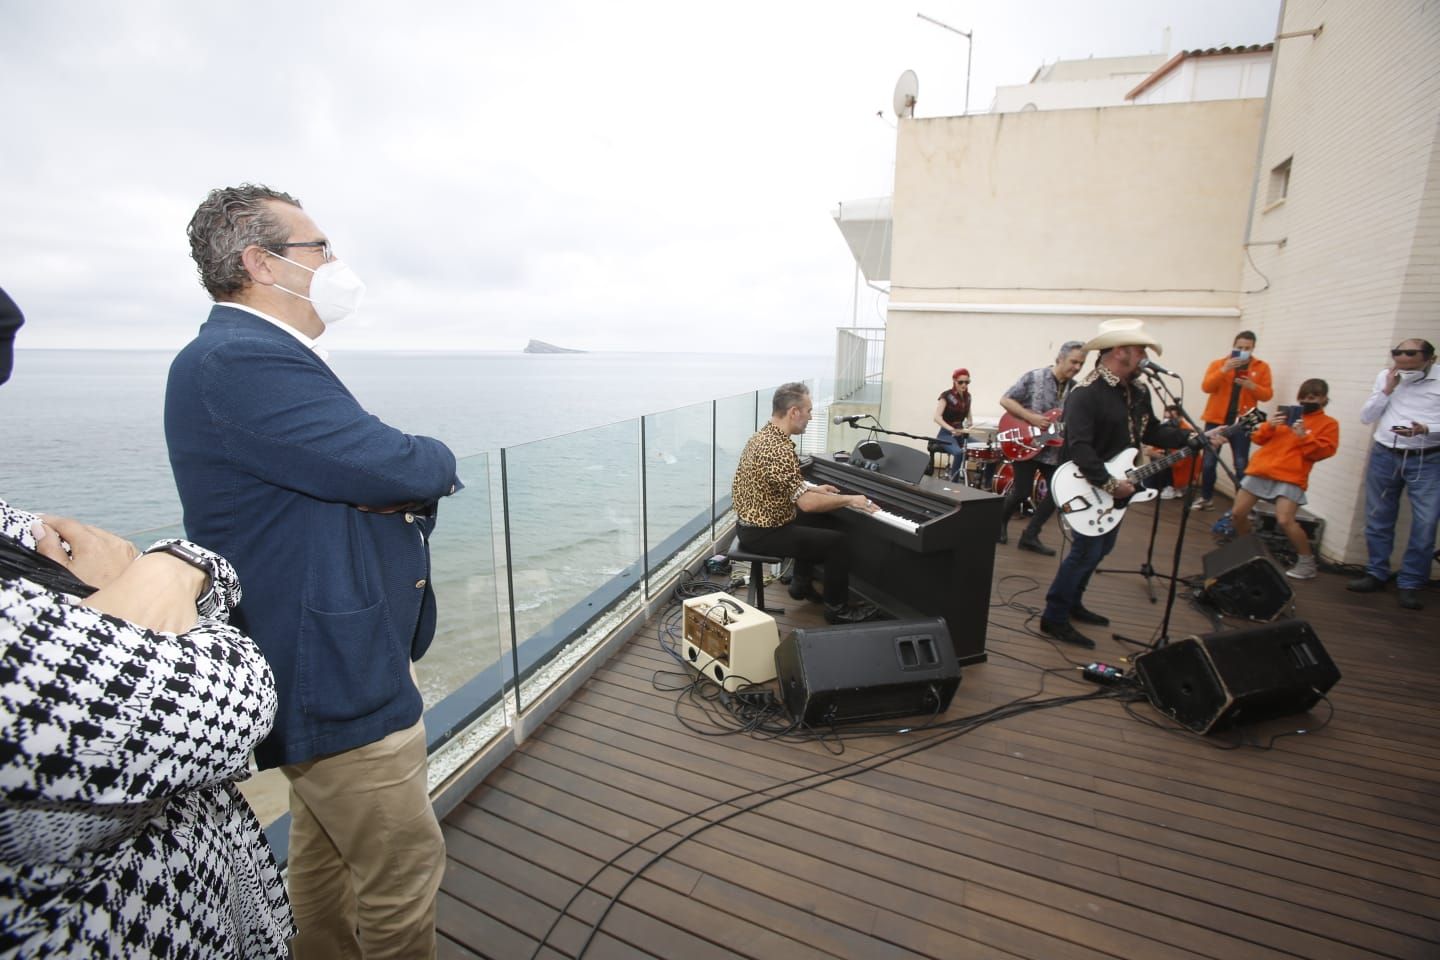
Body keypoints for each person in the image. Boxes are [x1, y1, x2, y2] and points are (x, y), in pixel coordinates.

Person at [165, 185, 461, 958]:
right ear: (263, 263)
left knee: (324, 854)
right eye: (320, 248)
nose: (336, 263)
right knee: (403, 869)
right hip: (331, 672)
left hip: (320, 663)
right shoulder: (242, 358)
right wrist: (419, 465)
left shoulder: (258, 356)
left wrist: (374, 486)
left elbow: (354, 471)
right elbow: (399, 464)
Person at [0, 288, 293, 957]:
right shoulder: (221, 359)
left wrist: (161, 569)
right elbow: (240, 695)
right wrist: (163, 573)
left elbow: (192, 577)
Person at [1039, 319, 1218, 648]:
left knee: (1101, 549)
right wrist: (1109, 484)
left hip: (1120, 485)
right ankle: (1054, 616)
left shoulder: (1137, 392)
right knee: (1084, 550)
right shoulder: (1086, 394)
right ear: (1119, 351)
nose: (1144, 357)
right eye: (1140, 350)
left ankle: (1073, 603)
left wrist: (1191, 436)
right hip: (1090, 484)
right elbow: (1079, 447)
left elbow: (1150, 433)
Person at [733, 382, 879, 624]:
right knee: (837, 543)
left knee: (818, 518)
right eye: (809, 411)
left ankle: (800, 584)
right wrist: (850, 499)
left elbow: (785, 484)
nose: (811, 417)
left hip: (753, 524)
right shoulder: (777, 450)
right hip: (762, 532)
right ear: (793, 412)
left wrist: (813, 489)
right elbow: (808, 504)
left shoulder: (763, 436)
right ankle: (838, 610)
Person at [1349, 338, 1440, 611]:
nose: (1403, 367)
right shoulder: (1387, 377)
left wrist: (1426, 429)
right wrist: (1387, 390)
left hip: (1427, 458)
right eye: (1399, 361)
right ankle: (1376, 572)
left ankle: (1410, 582)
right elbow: (1367, 416)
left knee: (1425, 523)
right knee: (1378, 515)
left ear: (1430, 360)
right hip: (1386, 454)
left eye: (1411, 363)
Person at [1231, 379, 1340, 580]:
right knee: (1238, 514)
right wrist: (1270, 426)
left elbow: (1324, 451)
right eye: (1304, 396)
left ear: (1324, 398)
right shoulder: (1286, 415)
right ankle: (1248, 552)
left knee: (1285, 520)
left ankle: (1307, 562)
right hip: (1260, 470)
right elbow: (1257, 439)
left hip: (1290, 476)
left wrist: (1303, 437)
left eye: (1313, 397)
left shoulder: (1329, 424)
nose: (1308, 400)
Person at [996, 340, 1087, 554]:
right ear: (1060, 358)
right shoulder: (1034, 377)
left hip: (1053, 451)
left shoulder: (1076, 390)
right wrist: (1031, 417)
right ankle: (998, 525)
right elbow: (1006, 400)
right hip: (1027, 445)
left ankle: (1030, 535)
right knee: (1021, 491)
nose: (1077, 367)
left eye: (1081, 364)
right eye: (1073, 362)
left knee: (1057, 493)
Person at [1193, 330, 1274, 510]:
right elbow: (1206, 387)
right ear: (1233, 346)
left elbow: (1267, 395)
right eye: (1239, 347)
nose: (1243, 351)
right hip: (1216, 419)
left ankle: (1242, 505)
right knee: (1208, 461)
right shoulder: (1219, 364)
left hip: (1244, 421)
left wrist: (1252, 386)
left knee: (1241, 463)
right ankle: (1206, 498)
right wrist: (1225, 370)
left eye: (1247, 348)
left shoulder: (1261, 367)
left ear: (1253, 348)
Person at [932, 368, 972, 481]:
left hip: (961, 433)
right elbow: (937, 417)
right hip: (946, 434)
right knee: (959, 453)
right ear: (954, 381)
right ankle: (953, 482)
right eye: (961, 382)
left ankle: (986, 484)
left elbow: (969, 415)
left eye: (967, 382)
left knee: (987, 449)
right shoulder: (946, 396)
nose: (964, 385)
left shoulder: (968, 397)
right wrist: (951, 429)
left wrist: (970, 423)